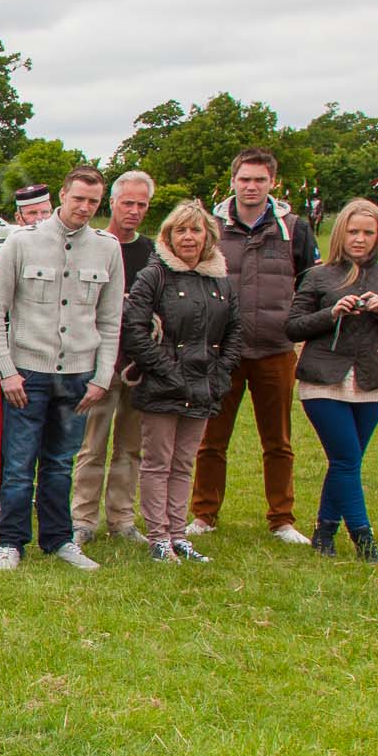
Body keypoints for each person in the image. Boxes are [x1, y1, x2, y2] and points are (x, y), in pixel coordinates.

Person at [0, 165, 124, 571]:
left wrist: (102, 375)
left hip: (78, 376)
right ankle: (10, 540)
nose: (84, 207)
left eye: (93, 202)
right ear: (62, 195)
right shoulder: (21, 243)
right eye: (78, 198)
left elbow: (111, 319)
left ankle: (59, 539)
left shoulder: (107, 248)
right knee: (19, 463)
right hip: (28, 373)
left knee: (61, 463)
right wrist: (7, 370)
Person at [188, 149, 320, 544]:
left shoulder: (294, 228)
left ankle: (281, 519)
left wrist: (297, 325)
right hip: (221, 352)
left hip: (275, 348)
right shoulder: (210, 226)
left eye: (259, 180)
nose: (251, 186)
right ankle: (204, 514)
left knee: (278, 440)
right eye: (244, 179)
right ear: (233, 181)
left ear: (272, 183)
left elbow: (313, 284)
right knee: (211, 439)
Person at [287, 199, 378, 562]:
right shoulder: (318, 276)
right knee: (346, 459)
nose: (359, 239)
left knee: (345, 461)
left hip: (373, 382)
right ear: (340, 233)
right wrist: (331, 313)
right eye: (353, 231)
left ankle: (325, 531)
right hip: (323, 380)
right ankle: (364, 538)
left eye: (368, 232)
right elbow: (293, 326)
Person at [121, 201, 241, 563]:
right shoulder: (154, 276)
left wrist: (220, 373)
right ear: (168, 236)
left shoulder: (221, 281)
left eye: (195, 230)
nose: (188, 237)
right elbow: (134, 329)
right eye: (180, 231)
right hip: (163, 386)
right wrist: (168, 371)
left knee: (184, 463)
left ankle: (178, 534)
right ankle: (158, 537)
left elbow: (235, 331)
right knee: (158, 462)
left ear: (208, 236)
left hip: (204, 387)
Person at [71, 170, 158, 544]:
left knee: (131, 447)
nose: (134, 211)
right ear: (113, 203)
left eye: (142, 205)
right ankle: (82, 520)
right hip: (97, 360)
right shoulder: (94, 244)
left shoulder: (153, 252)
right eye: (128, 203)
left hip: (139, 363)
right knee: (92, 445)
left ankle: (122, 519)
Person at [0, 183, 56, 508]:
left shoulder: (64, 245)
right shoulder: (3, 244)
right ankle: (5, 495)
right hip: (14, 348)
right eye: (32, 213)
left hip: (54, 347)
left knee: (55, 432)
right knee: (12, 427)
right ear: (18, 216)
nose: (39, 219)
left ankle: (45, 495)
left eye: (45, 213)